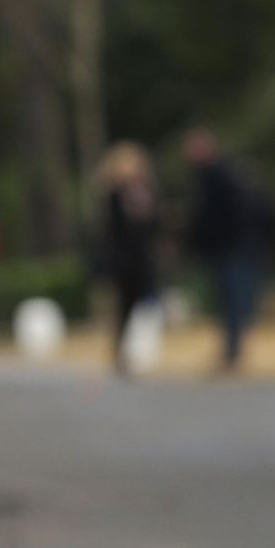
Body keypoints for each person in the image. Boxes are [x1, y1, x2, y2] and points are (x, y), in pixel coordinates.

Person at [183, 128, 270, 371]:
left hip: (233, 248)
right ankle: (231, 350)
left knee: (234, 301)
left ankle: (233, 352)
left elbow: (227, 216)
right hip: (227, 249)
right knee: (228, 302)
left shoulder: (221, 177)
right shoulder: (208, 177)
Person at [93, 142, 161, 374]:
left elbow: (154, 226)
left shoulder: (146, 193)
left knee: (147, 305)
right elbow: (111, 230)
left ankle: (142, 349)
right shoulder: (113, 196)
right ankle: (123, 352)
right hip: (123, 261)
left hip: (143, 260)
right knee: (124, 307)